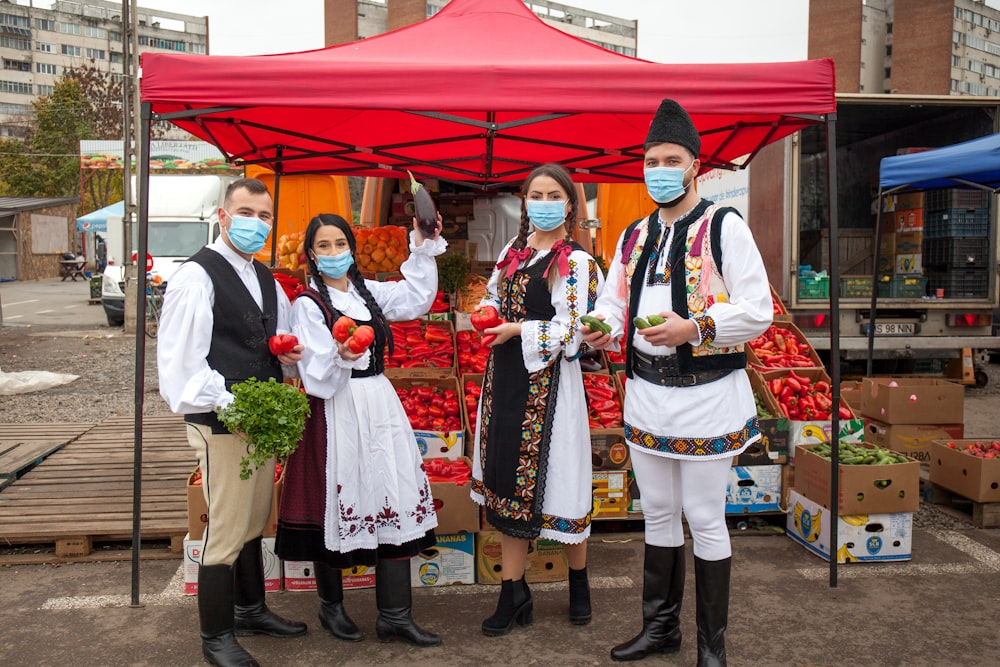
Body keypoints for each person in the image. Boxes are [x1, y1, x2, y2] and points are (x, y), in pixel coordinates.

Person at [582, 99, 772, 667]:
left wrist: (696, 327)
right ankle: (660, 629)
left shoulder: (723, 226)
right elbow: (614, 302)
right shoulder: (634, 235)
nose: (658, 169)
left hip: (708, 395)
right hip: (646, 395)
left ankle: (712, 647)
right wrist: (600, 327)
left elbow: (758, 308)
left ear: (695, 164)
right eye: (650, 159)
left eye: (670, 159)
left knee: (706, 516)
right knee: (659, 512)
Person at [275, 212, 446, 647]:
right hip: (336, 409)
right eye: (324, 246)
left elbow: (418, 297)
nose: (334, 253)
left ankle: (395, 614)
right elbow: (315, 373)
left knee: (393, 492)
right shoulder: (307, 306)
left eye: (340, 244)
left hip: (379, 404)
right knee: (338, 500)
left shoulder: (368, 294)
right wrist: (344, 354)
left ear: (352, 247)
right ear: (311, 255)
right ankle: (332, 606)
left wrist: (423, 244)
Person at [157, 177, 308, 667]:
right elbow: (183, 366)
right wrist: (233, 406)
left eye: (264, 216)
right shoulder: (196, 277)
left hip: (256, 421)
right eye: (246, 213)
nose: (256, 224)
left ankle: (250, 609)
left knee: (252, 516)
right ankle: (216, 637)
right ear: (222, 216)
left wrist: (290, 357)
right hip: (222, 421)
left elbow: (275, 340)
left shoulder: (263, 278)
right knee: (224, 527)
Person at [470, 163, 605, 637]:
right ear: (524, 202)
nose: (542, 203)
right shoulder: (513, 250)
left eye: (552, 195)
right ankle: (513, 591)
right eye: (534, 195)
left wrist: (519, 329)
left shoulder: (578, 263)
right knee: (506, 481)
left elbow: (579, 331)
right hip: (505, 382)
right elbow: (493, 295)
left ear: (569, 203)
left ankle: (579, 583)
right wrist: (485, 312)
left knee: (564, 484)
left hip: (551, 389)